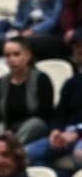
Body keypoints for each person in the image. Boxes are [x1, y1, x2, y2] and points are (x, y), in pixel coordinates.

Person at [26, 34, 82, 168]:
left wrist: (77, 132)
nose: (79, 49)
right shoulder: (71, 82)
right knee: (22, 155)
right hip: (66, 134)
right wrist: (55, 131)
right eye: (76, 46)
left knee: (80, 154)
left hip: (77, 134)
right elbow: (59, 114)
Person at [0, 38, 54, 146]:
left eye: (16, 54)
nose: (11, 59)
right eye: (7, 55)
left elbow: (45, 116)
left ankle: (9, 149)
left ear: (27, 55)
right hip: (8, 135)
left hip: (35, 133)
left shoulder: (41, 79)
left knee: (35, 123)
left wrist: (11, 135)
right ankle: (6, 149)